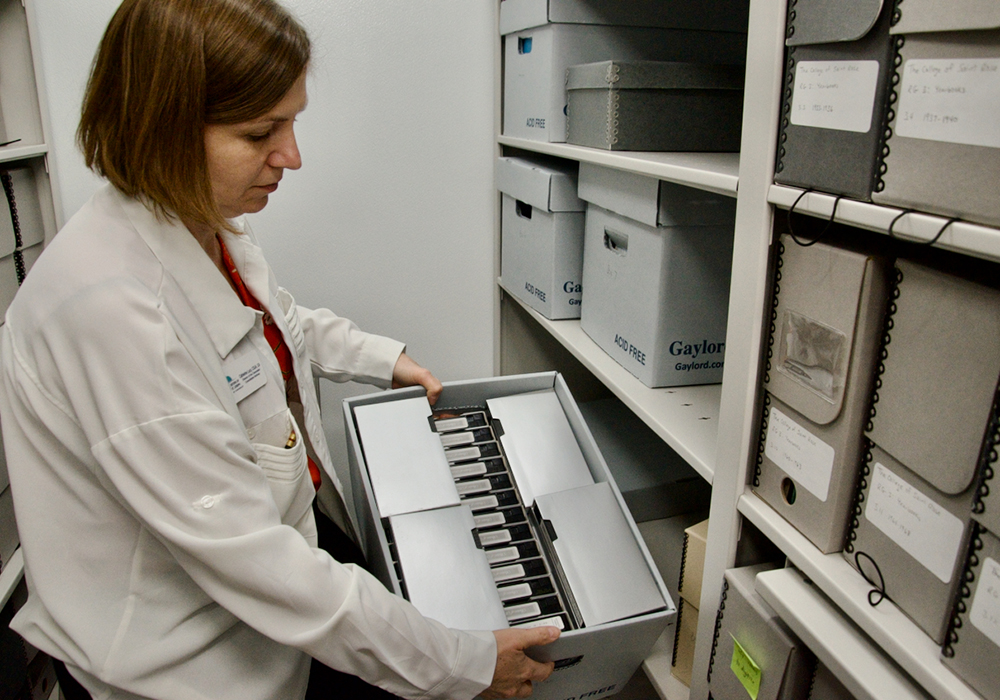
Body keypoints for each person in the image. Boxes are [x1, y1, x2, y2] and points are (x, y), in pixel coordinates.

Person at [0, 1, 559, 698]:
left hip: (273, 570)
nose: (292, 155)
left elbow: (273, 319)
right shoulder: (118, 319)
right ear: (161, 128)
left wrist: (380, 357)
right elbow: (266, 569)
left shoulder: (198, 219)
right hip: (189, 667)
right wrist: (467, 665)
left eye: (292, 120)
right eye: (261, 131)